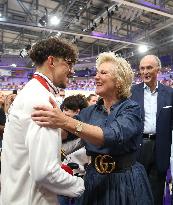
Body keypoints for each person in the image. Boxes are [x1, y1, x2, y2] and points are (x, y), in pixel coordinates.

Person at [32, 52, 154, 205]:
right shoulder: (89, 112)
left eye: (103, 73)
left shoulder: (131, 109)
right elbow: (65, 134)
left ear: (119, 80)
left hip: (125, 181)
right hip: (94, 180)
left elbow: (112, 136)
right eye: (97, 72)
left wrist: (64, 121)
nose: (96, 77)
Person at [1, 37, 84, 205]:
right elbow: (45, 172)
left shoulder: (31, 91)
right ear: (51, 61)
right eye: (68, 63)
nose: (72, 70)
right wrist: (80, 184)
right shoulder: (41, 99)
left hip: (17, 194)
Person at [130, 55, 173, 205]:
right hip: (138, 146)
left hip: (160, 148)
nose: (145, 71)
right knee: (136, 190)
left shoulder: (170, 93)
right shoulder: (131, 93)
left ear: (158, 70)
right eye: (142, 68)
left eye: (149, 68)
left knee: (156, 191)